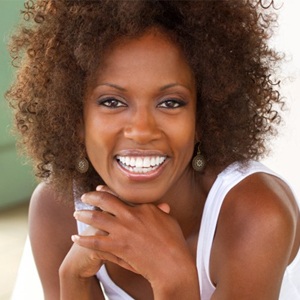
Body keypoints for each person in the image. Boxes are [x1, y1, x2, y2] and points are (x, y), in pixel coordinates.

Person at [6, 0, 300, 299]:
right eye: (112, 102)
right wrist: (73, 277)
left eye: (170, 102)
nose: (142, 131)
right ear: (75, 118)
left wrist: (174, 279)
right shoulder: (56, 210)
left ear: (203, 117)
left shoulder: (255, 215)